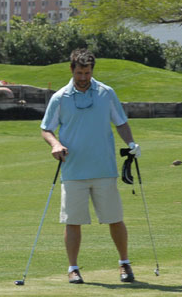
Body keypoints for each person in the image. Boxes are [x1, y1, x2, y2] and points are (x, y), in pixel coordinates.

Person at [40, 48, 141, 284]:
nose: (83, 78)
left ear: (92, 70)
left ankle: (124, 264)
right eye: (79, 73)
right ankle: (73, 268)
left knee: (115, 218)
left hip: (104, 168)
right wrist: (55, 144)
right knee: (73, 221)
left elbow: (121, 122)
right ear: (71, 70)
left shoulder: (106, 93)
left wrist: (131, 143)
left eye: (87, 72)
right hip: (73, 169)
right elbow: (46, 128)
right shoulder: (60, 97)